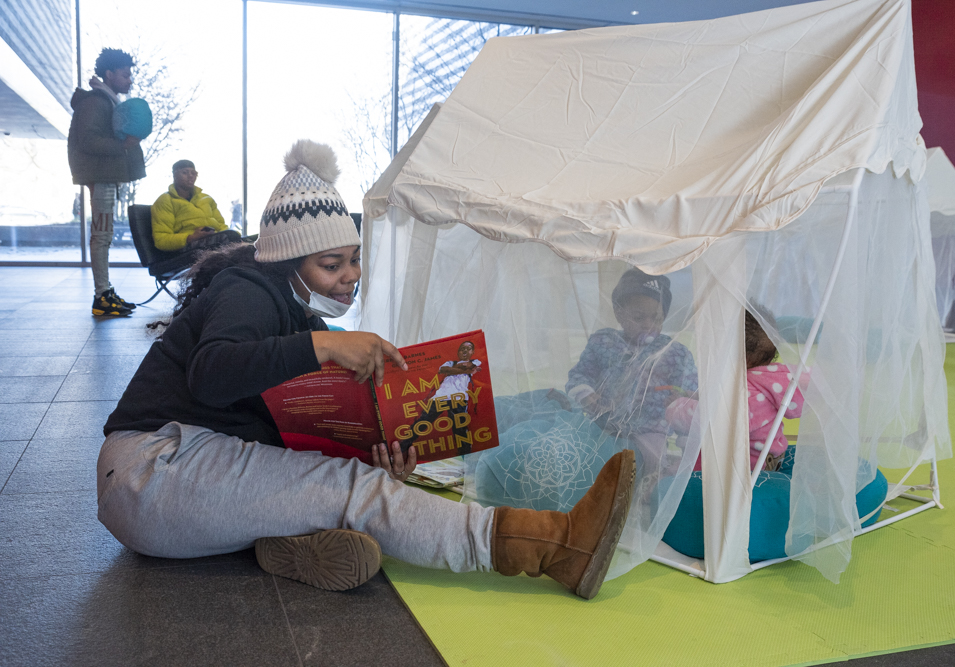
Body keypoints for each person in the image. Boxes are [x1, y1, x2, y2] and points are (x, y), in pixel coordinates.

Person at [96, 139, 636, 600]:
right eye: (331, 265)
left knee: (353, 480)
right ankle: (553, 545)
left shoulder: (298, 314)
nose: (350, 276)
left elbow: (288, 429)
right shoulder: (248, 292)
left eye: (354, 258)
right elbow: (211, 375)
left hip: (188, 479)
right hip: (153, 468)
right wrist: (323, 349)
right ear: (288, 264)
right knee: (353, 491)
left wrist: (378, 453)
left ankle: (287, 540)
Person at [666, 307, 808, 471]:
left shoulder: (745, 394)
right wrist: (695, 397)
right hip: (765, 458)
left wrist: (676, 407)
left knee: (678, 472)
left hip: (749, 468)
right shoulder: (765, 381)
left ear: (736, 356)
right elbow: (720, 405)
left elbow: (704, 420)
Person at [566, 268, 698, 436]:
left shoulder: (674, 353)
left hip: (652, 430)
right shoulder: (603, 343)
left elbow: (692, 387)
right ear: (619, 314)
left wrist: (683, 399)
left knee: (650, 459)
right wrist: (585, 394)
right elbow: (581, 373)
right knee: (602, 458)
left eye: (656, 319)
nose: (647, 325)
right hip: (604, 424)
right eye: (638, 318)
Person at [68, 48, 145, 317]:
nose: (129, 81)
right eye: (125, 75)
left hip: (105, 175)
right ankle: (101, 296)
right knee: (101, 237)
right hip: (100, 176)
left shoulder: (106, 101)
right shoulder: (96, 102)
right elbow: (88, 140)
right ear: (109, 74)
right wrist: (123, 145)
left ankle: (106, 291)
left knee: (104, 236)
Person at [401, 340, 481, 455]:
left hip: (458, 399)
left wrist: (457, 369)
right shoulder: (450, 362)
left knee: (460, 430)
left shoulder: (475, 361)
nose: (464, 350)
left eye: (468, 348)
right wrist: (464, 369)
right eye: (462, 348)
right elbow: (443, 370)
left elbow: (469, 367)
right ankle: (402, 448)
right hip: (440, 397)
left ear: (472, 351)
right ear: (458, 352)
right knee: (422, 423)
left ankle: (465, 457)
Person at [151, 160, 242, 252]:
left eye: (193, 173)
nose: (190, 176)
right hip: (185, 247)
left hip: (214, 240)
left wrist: (233, 236)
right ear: (174, 175)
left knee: (251, 241)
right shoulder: (165, 201)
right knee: (230, 241)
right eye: (185, 172)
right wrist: (191, 237)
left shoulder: (206, 198)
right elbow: (161, 240)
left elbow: (221, 226)